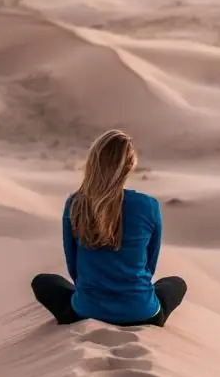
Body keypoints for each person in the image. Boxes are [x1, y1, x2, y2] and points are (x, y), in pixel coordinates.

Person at [31, 129, 187, 327]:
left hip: (86, 310)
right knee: (176, 284)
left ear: (92, 163)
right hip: (142, 312)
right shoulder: (148, 205)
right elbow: (150, 265)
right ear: (130, 166)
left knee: (44, 282)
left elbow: (73, 267)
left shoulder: (76, 203)